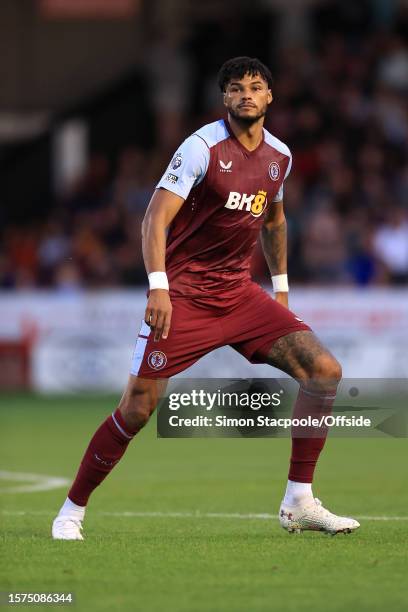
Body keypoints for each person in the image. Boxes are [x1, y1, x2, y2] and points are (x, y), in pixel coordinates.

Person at [52, 57, 359, 540]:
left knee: (324, 371)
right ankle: (71, 511)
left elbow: (274, 222)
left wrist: (279, 290)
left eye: (256, 87)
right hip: (185, 296)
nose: (246, 95)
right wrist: (159, 285)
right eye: (236, 88)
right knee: (136, 407)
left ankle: (299, 499)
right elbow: (154, 218)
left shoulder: (280, 155)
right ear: (225, 99)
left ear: (270, 97)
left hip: (239, 294)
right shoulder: (201, 148)